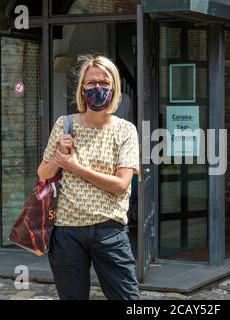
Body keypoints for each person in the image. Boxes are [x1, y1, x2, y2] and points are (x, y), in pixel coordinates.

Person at [37, 55, 140, 300]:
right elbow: (43, 174)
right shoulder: (65, 124)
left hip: (109, 231)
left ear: (114, 87)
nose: (98, 88)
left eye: (104, 83)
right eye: (91, 83)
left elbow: (121, 184)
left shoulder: (125, 130)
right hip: (67, 232)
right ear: (82, 88)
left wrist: (74, 166)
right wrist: (58, 157)